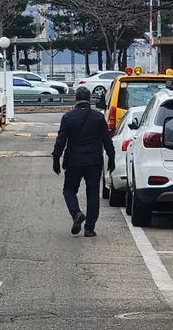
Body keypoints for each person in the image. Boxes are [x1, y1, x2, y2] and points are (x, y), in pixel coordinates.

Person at [52, 85, 115, 237]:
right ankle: (89, 228)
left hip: (74, 160)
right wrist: (111, 158)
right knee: (93, 193)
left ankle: (76, 213)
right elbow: (107, 140)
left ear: (75, 99)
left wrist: (56, 158)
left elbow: (61, 140)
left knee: (69, 190)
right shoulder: (98, 117)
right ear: (90, 100)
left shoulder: (68, 117)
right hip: (94, 161)